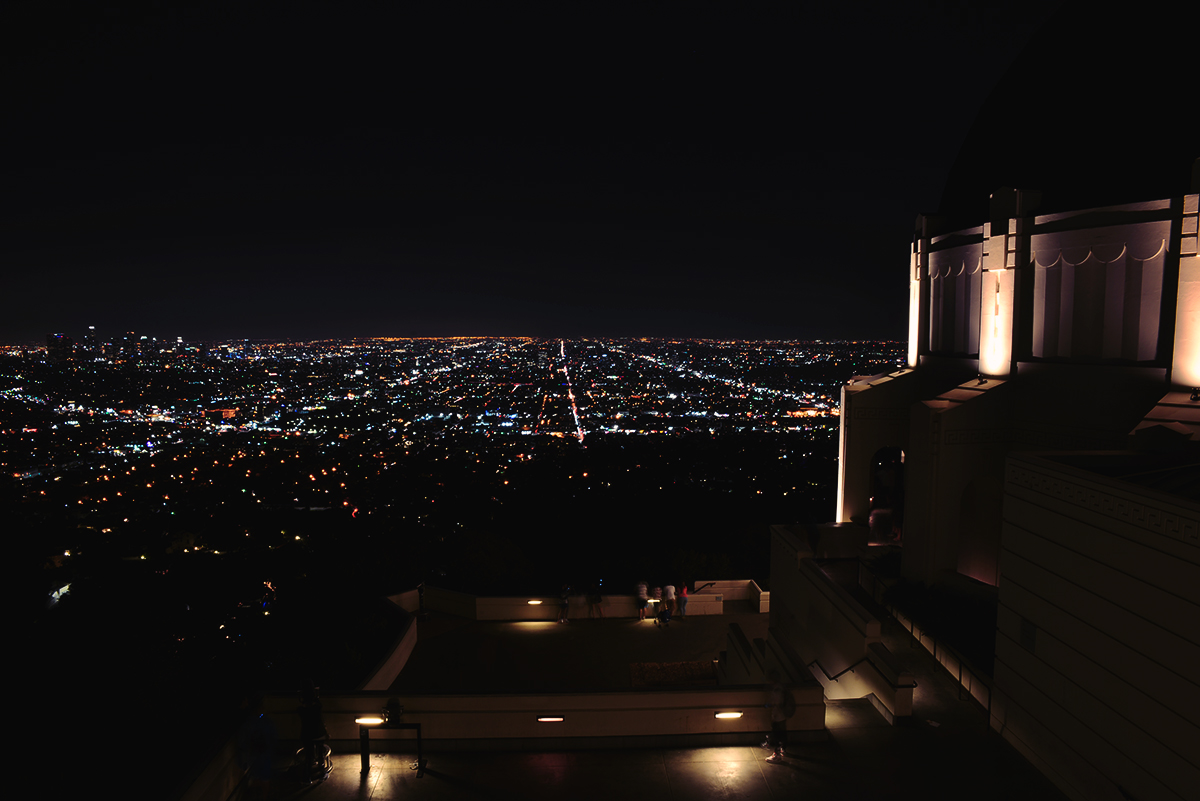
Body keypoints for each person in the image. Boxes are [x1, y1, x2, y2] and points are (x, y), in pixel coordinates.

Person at [763, 670, 789, 763]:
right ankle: (783, 749)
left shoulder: (777, 690)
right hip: (783, 715)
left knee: (777, 734)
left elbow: (776, 704)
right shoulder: (781, 688)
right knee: (782, 733)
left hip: (778, 715)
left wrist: (770, 707)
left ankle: (776, 755)